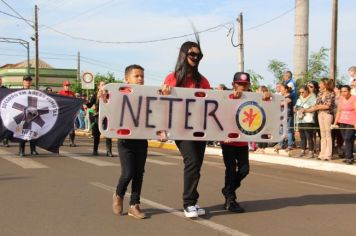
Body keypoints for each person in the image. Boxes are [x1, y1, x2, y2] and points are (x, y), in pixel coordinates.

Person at [161, 41, 210, 218]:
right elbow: (162, 106)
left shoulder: (202, 81)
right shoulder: (172, 79)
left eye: (199, 55)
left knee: (197, 165)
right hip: (180, 128)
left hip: (199, 128)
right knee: (192, 162)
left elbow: (212, 105)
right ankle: (188, 203)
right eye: (192, 55)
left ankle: (194, 201)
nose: (196, 58)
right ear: (183, 55)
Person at [112, 64, 148, 219]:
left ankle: (134, 205)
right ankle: (118, 194)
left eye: (142, 76)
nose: (140, 79)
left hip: (141, 140)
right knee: (128, 172)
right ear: (127, 79)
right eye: (136, 76)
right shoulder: (120, 94)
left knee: (139, 173)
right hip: (125, 141)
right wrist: (103, 95)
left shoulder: (147, 95)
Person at [219, 72, 253, 213]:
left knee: (244, 170)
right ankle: (230, 200)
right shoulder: (226, 97)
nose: (242, 87)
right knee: (231, 170)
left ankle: (227, 190)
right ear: (233, 84)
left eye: (245, 84)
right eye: (239, 84)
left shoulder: (253, 99)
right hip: (228, 141)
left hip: (242, 141)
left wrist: (268, 97)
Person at [86, 81, 113, 157]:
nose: (104, 86)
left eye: (105, 84)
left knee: (108, 134)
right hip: (97, 117)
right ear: (98, 87)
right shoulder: (95, 95)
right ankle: (95, 150)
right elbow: (89, 105)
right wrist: (85, 102)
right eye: (102, 85)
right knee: (96, 134)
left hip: (106, 117)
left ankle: (109, 151)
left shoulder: (109, 95)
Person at [312, 78, 335, 161]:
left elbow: (328, 106)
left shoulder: (331, 93)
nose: (319, 85)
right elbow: (316, 104)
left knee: (328, 134)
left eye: (320, 83)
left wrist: (319, 106)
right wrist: (319, 106)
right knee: (322, 134)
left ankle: (328, 154)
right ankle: (322, 153)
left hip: (327, 114)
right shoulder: (320, 93)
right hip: (320, 114)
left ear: (325, 84)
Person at [333, 85, 356, 165]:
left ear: (349, 91)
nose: (343, 93)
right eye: (342, 91)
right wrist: (335, 123)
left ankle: (349, 158)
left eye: (345, 91)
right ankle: (348, 157)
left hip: (351, 122)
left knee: (348, 138)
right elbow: (339, 111)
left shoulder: (354, 98)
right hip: (342, 121)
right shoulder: (341, 99)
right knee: (346, 139)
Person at [294, 85, 317, 158]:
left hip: (308, 119)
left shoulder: (312, 97)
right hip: (300, 120)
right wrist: (296, 109)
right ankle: (302, 151)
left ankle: (311, 151)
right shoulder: (299, 99)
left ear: (307, 91)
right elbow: (295, 107)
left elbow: (313, 107)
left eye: (303, 92)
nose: (301, 94)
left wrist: (304, 110)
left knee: (309, 136)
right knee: (302, 136)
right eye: (300, 92)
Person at [18, 75, 38, 156]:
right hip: (22, 115)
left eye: (29, 80)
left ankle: (33, 150)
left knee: (33, 132)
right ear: (23, 81)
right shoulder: (18, 92)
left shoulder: (34, 92)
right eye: (26, 80)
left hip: (31, 115)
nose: (28, 82)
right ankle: (21, 150)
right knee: (22, 132)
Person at [58, 81, 76, 147]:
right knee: (61, 129)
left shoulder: (72, 93)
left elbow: (75, 101)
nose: (67, 87)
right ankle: (60, 141)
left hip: (70, 114)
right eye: (66, 85)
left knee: (71, 128)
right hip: (62, 114)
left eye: (68, 85)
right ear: (63, 86)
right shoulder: (60, 93)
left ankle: (72, 142)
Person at [0, 75, 10, 147]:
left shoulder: (5, 89)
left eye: (0, 79)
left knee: (6, 125)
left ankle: (5, 139)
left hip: (4, 111)